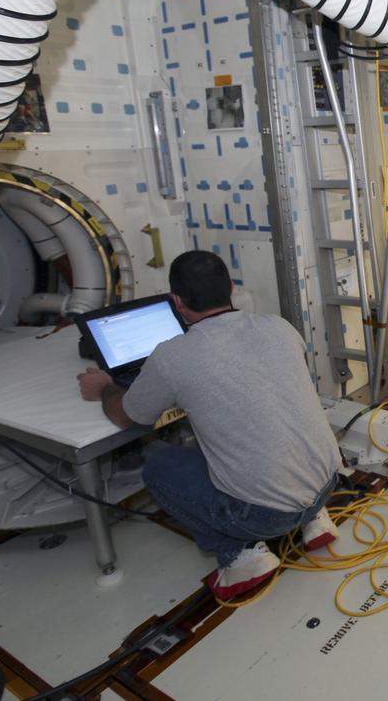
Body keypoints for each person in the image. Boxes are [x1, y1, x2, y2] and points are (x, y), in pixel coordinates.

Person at [77, 250, 343, 600]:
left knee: (158, 464)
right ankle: (314, 519)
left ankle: (240, 555)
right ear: (230, 288)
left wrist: (104, 388)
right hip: (329, 482)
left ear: (177, 301)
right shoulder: (278, 326)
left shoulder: (172, 355)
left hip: (266, 517)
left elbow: (126, 416)